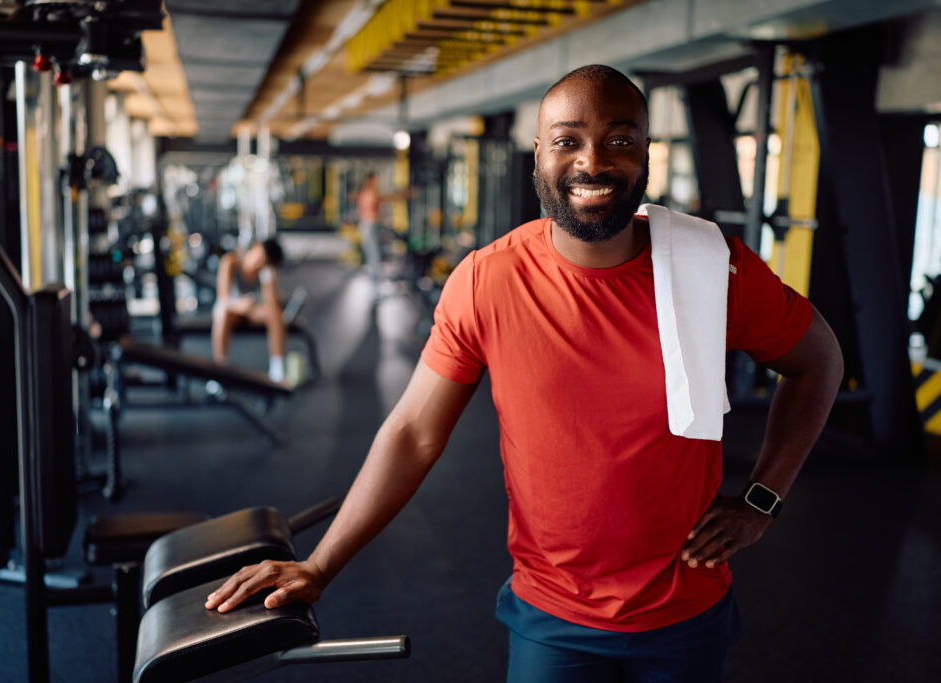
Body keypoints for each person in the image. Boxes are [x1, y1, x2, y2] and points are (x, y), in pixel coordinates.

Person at [205, 65, 843, 681]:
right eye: (568, 141)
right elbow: (412, 434)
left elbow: (819, 362)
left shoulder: (715, 267)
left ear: (646, 151)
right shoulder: (487, 280)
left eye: (619, 140)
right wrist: (320, 565)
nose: (593, 162)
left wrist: (763, 499)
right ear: (538, 155)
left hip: (686, 611)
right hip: (552, 615)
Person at [211, 237, 288, 383]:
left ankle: (277, 370)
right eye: (259, 257)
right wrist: (238, 305)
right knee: (220, 310)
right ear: (255, 247)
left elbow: (271, 303)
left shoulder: (264, 272)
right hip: (232, 310)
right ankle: (219, 372)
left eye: (263, 262)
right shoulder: (230, 262)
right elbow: (222, 298)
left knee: (274, 312)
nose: (258, 263)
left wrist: (268, 275)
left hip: (252, 312)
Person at [355, 171, 410, 298]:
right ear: (370, 180)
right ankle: (375, 290)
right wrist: (402, 194)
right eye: (376, 180)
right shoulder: (370, 193)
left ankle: (375, 288)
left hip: (369, 226)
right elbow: (386, 198)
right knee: (374, 256)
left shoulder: (367, 193)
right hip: (370, 226)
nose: (378, 182)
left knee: (373, 256)